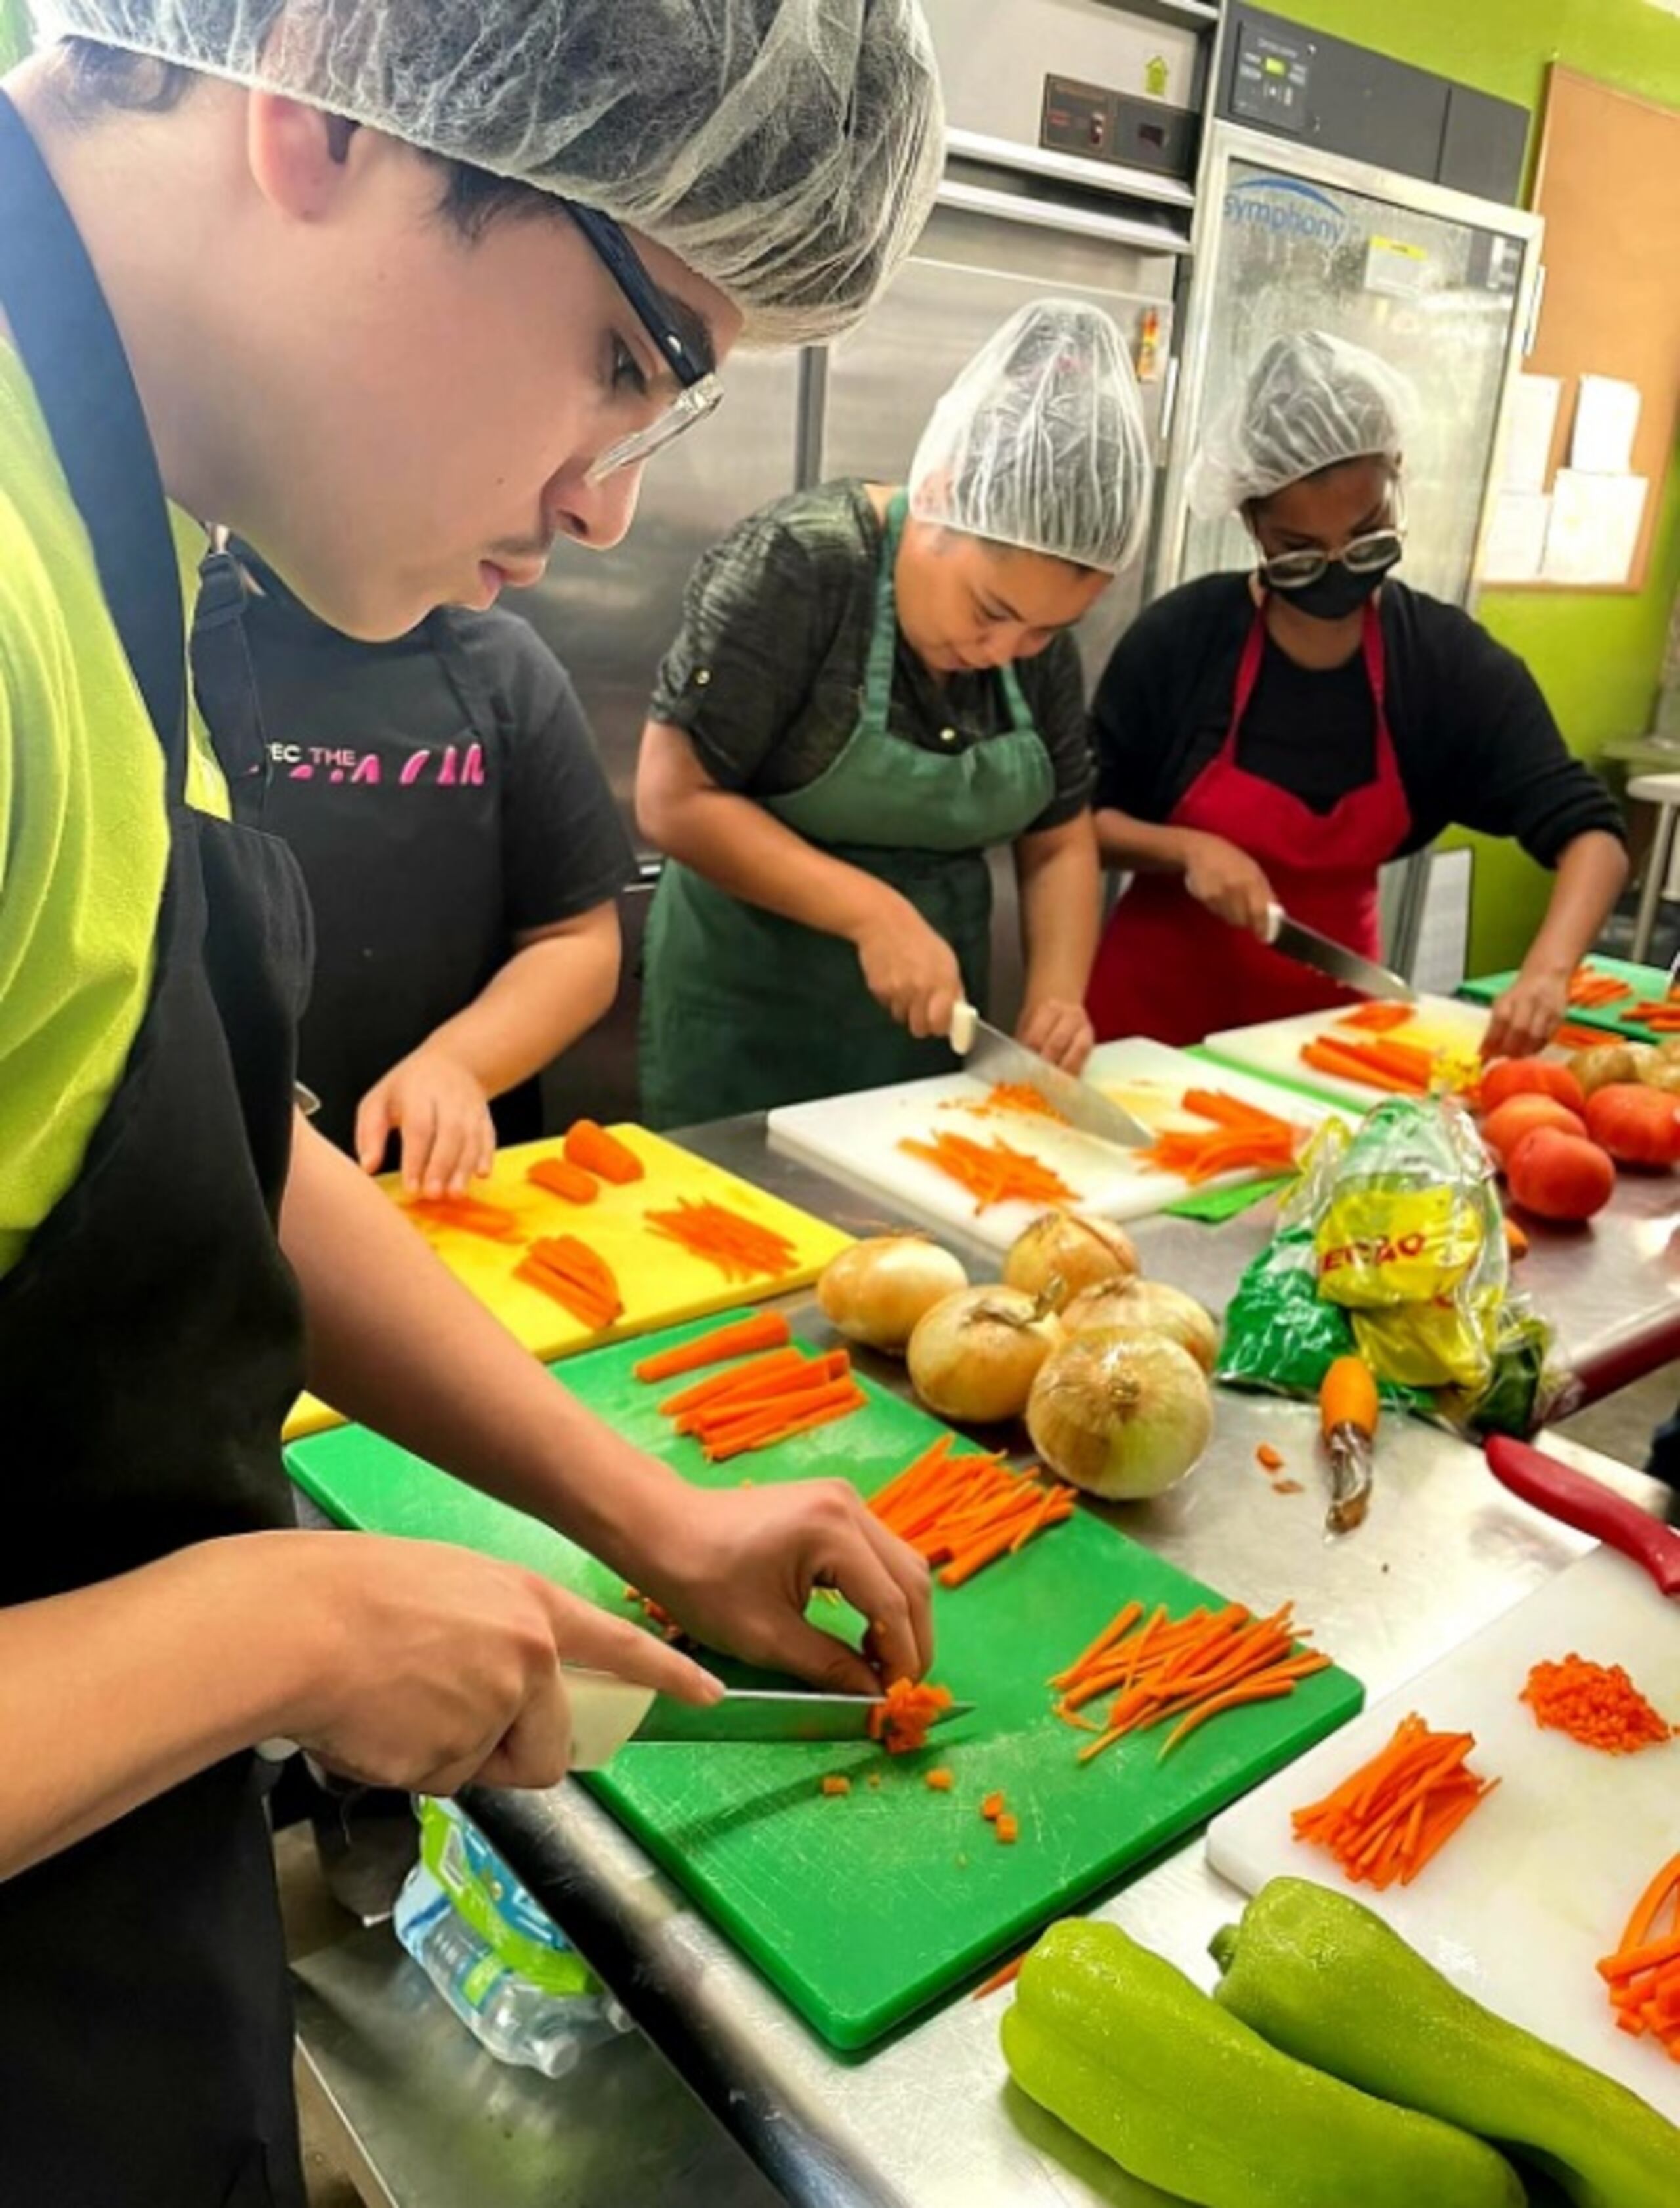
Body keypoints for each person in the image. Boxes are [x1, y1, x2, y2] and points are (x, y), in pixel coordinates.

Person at [0, 6, 942, 2201]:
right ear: (328, 91)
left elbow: (190, 1119)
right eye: (633, 353)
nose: (613, 498)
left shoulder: (107, 494)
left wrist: (657, 1511)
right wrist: (298, 1623)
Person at [635, 298, 1153, 1128]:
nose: (1004, 649)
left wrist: (1058, 997)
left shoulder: (1028, 639)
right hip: (746, 1035)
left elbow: (1058, 837)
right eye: (989, 611)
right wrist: (870, 911)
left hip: (922, 1049)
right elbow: (672, 797)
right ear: (941, 496)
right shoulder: (803, 566)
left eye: (1046, 631)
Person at [1084, 330, 1628, 1059]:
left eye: (1366, 533)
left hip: (1332, 1037)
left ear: (1394, 481)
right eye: (1299, 548)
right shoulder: (1182, 640)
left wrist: (1547, 973)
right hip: (1151, 1037)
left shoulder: (1442, 665)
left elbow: (1591, 835)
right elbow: (1072, 824)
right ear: (1251, 523)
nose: (1338, 566)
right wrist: (1184, 849)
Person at [198, 543, 633, 1193]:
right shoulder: (177, 648)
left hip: (434, 1185)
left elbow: (578, 941)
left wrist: (459, 1065)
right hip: (222, 1179)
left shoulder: (504, 668)